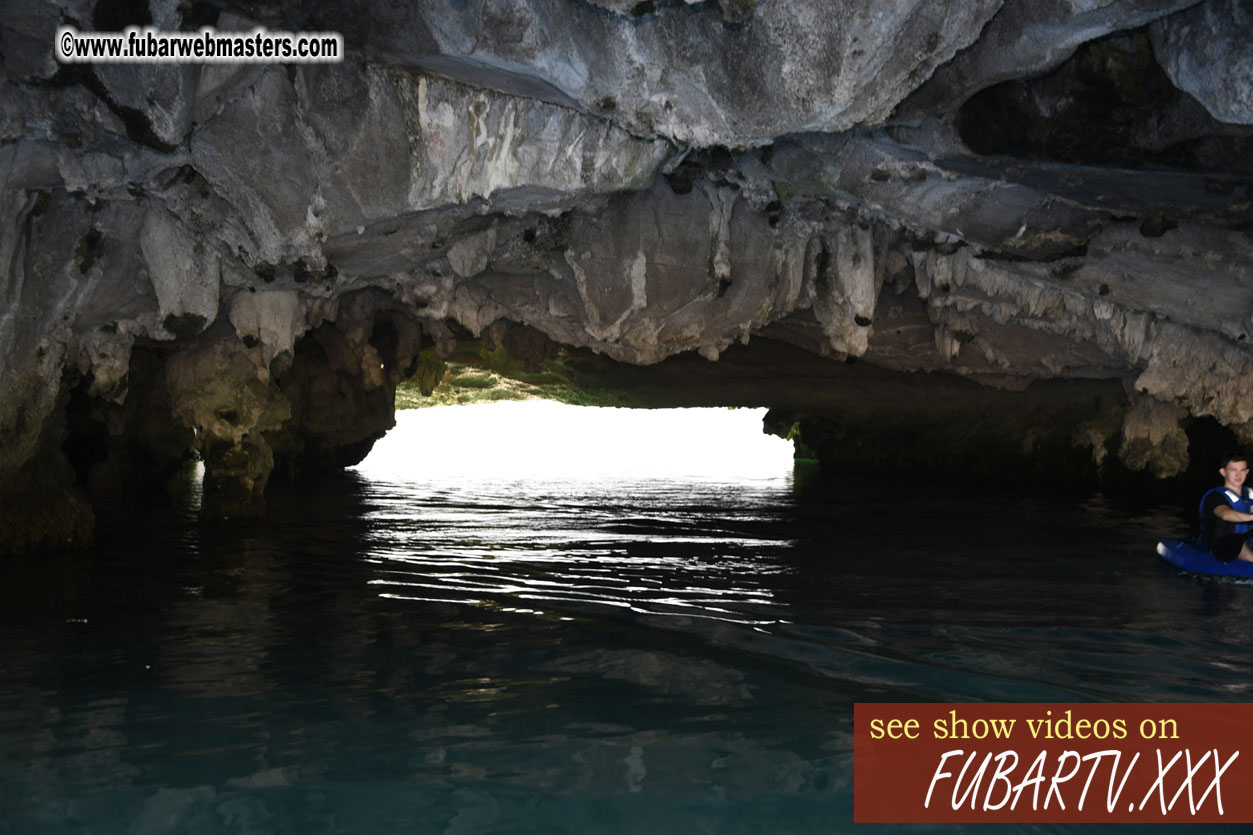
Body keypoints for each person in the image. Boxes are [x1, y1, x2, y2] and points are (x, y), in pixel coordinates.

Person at [1200, 452, 1253, 563]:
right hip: (1223, 545)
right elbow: (1225, 514)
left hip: (1248, 540)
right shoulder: (1215, 497)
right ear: (1223, 472)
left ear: (1247, 472)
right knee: (1237, 542)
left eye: (1242, 470)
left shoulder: (1250, 494)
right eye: (1233, 470)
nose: (1238, 475)